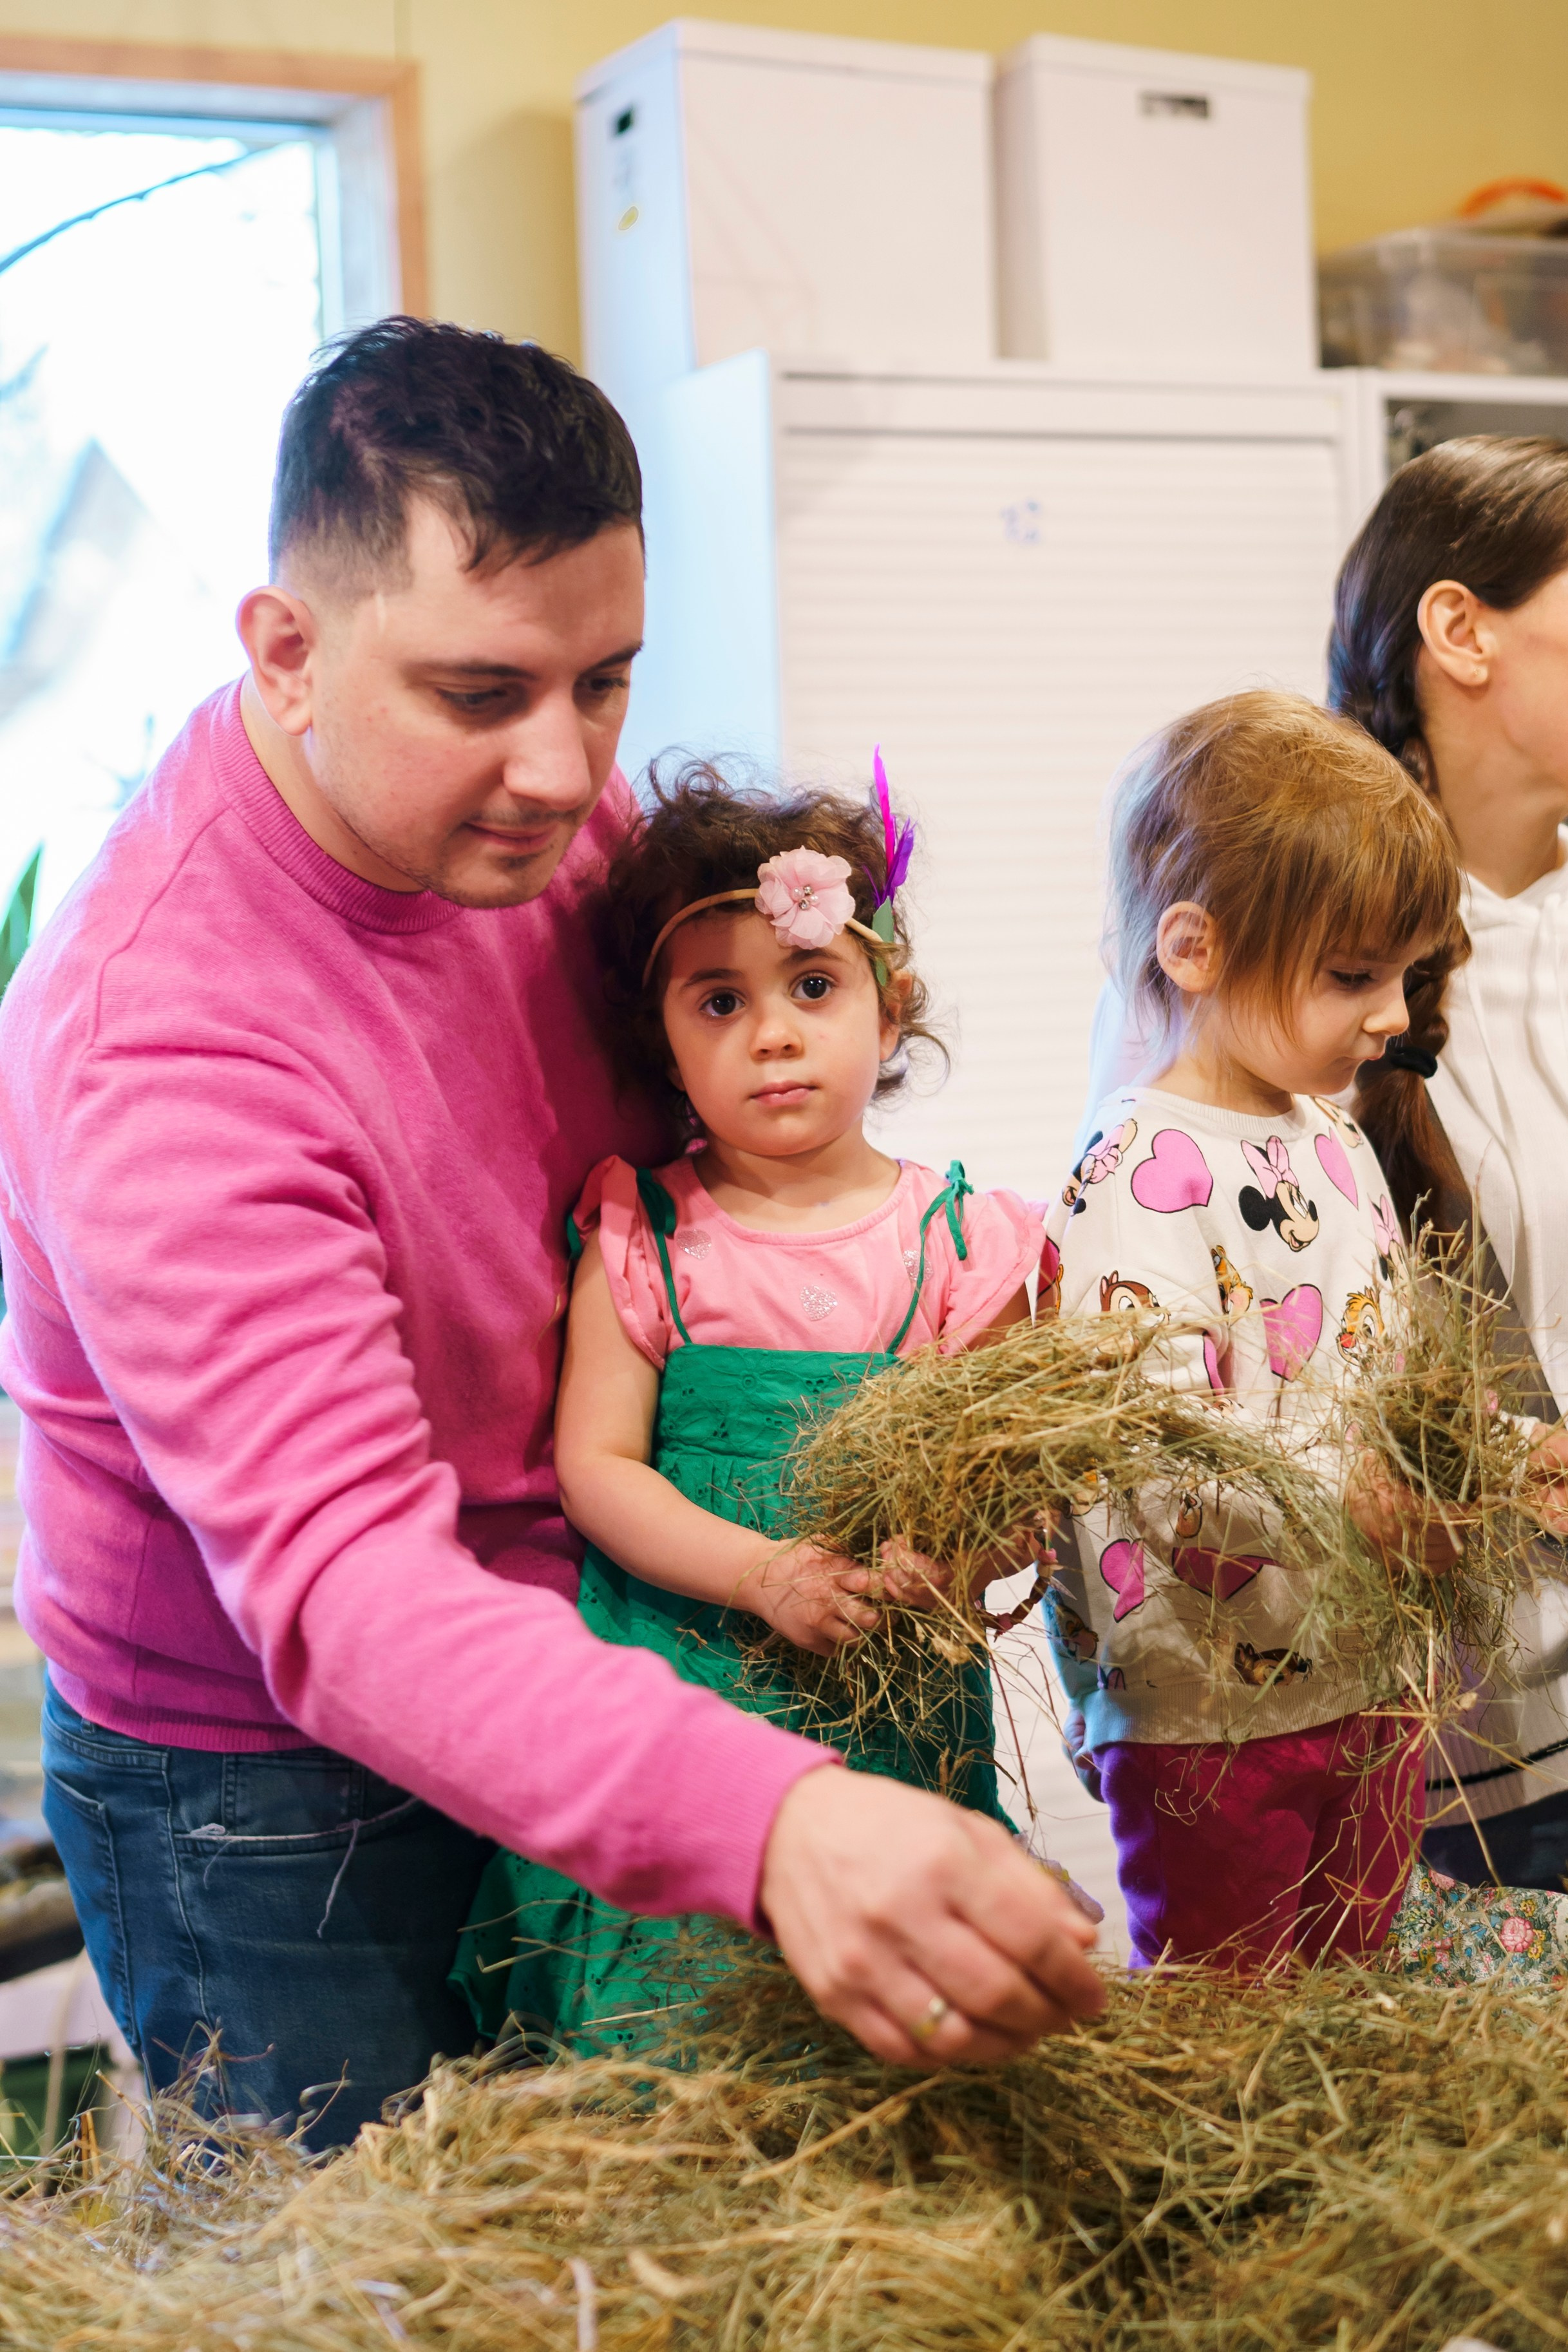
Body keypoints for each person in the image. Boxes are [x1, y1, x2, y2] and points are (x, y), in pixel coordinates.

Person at [0, 319, 1103, 2148]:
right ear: (285, 648)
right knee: (363, 2266)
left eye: (604, 680)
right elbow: (347, 1593)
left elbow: (704, 1195)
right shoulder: (161, 1032)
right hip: (276, 1787)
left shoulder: (535, 835)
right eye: (480, 691)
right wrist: (772, 1819)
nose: (563, 765)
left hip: (601, 1637)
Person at [453, 763, 1064, 2048]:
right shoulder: (644, 1229)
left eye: (813, 986)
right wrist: (767, 1570)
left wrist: (955, 1557)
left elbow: (1007, 1493)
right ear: (661, 1039)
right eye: (720, 1000)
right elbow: (597, 1468)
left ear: (888, 1010)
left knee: (877, 2030)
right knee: (683, 2030)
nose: (773, 1032)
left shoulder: (967, 1243)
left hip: (889, 1708)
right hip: (684, 1668)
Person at [1044, 689, 1475, 1967]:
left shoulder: (1329, 1136)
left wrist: (1481, 1461)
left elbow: (1374, 1365)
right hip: (1209, 1702)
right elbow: (1161, 1448)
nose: (1395, 1012)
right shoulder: (1131, 1169)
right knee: (1231, 2021)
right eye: (1355, 975)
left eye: (1402, 971)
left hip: (1363, 1671)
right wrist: (1354, 1500)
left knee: (1353, 1996)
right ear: (1195, 948)